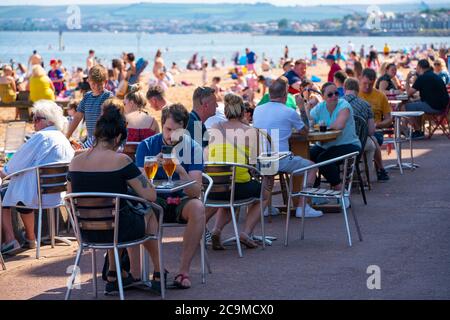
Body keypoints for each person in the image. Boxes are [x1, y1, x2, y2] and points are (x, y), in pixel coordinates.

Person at [67, 100, 163, 295]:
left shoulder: (75, 162)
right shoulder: (121, 160)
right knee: (150, 212)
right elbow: (150, 195)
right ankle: (159, 272)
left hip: (85, 233)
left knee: (115, 214)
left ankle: (113, 272)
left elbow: (69, 197)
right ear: (119, 137)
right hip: (117, 231)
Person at [136, 104, 206, 289]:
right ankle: (159, 269)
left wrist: (181, 170)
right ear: (161, 125)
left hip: (181, 201)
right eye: (167, 129)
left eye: (177, 131)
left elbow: (195, 191)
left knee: (198, 208)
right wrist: (152, 167)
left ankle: (183, 272)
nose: (171, 136)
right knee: (140, 210)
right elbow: (138, 186)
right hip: (154, 200)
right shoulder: (147, 146)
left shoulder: (194, 148)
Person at [0, 100, 74, 255]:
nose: (33, 123)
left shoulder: (40, 137)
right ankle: (30, 239)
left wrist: (4, 170)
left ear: (49, 121)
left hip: (37, 195)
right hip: (58, 194)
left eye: (36, 119)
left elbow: (10, 169)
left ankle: (11, 240)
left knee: (4, 193)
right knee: (19, 190)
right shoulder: (63, 139)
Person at [205, 93, 268, 250]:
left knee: (229, 194)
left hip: (213, 188)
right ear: (242, 111)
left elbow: (208, 154)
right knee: (265, 192)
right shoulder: (250, 132)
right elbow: (254, 163)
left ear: (226, 111)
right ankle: (246, 232)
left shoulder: (214, 128)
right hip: (236, 187)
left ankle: (216, 230)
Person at [253, 78, 323, 218]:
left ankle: (265, 207)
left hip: (261, 159)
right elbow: (306, 131)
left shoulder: (258, 110)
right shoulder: (288, 111)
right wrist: (302, 109)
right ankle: (302, 207)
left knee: (269, 173)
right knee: (311, 167)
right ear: (285, 95)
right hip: (280, 159)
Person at [307, 82, 361, 201]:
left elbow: (339, 125)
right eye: (330, 94)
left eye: (337, 93)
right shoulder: (320, 107)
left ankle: (342, 193)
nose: (334, 96)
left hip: (349, 144)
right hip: (326, 145)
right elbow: (308, 122)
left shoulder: (344, 105)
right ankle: (315, 193)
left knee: (323, 159)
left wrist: (321, 126)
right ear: (323, 96)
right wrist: (305, 107)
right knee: (307, 156)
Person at [65, 64, 113, 148]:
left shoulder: (108, 96)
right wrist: (67, 136)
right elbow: (77, 117)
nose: (96, 87)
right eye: (93, 84)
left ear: (105, 82)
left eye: (100, 84)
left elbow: (105, 120)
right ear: (88, 81)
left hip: (103, 139)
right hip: (91, 138)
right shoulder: (87, 96)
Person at [358, 68, 391, 181]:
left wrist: (377, 125)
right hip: (358, 131)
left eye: (370, 84)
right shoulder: (355, 94)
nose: (367, 86)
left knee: (373, 139)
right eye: (365, 83)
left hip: (376, 131)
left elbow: (389, 120)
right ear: (360, 79)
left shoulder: (381, 96)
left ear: (374, 82)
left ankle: (381, 169)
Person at [343, 78, 377, 180]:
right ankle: (368, 178)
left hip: (342, 141)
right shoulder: (365, 104)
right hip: (361, 142)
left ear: (344, 88)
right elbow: (371, 131)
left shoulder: (338, 103)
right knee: (371, 145)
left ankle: (344, 177)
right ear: (358, 90)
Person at [405, 59, 449, 138]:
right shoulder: (434, 75)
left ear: (420, 67)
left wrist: (407, 79)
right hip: (443, 106)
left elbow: (408, 93)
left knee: (404, 107)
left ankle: (417, 131)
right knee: (415, 105)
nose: (416, 70)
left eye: (417, 68)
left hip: (434, 107)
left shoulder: (422, 78)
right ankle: (418, 130)